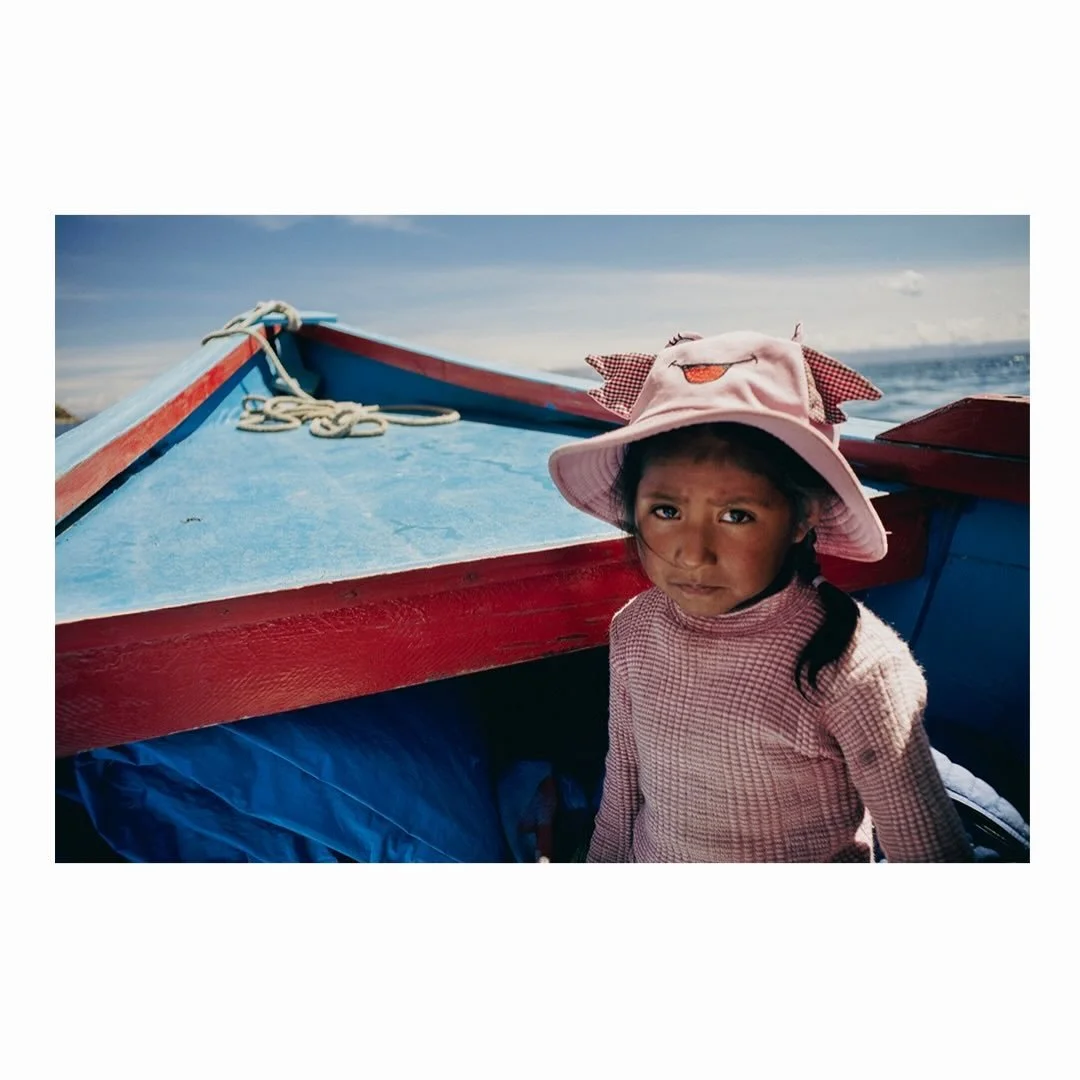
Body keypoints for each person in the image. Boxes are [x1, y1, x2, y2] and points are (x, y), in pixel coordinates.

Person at [547, 326, 973, 862]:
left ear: (803, 516)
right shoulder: (634, 628)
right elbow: (623, 784)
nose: (693, 554)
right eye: (666, 511)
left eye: (736, 516)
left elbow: (929, 855)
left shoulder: (859, 670)